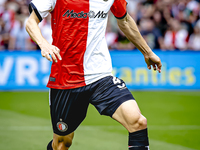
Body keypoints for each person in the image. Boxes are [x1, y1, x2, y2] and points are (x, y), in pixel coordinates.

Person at [25, 0, 162, 149]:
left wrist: (147, 52)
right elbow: (31, 22)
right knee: (62, 143)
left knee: (137, 121)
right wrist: (44, 44)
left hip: (100, 75)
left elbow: (125, 21)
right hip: (66, 79)